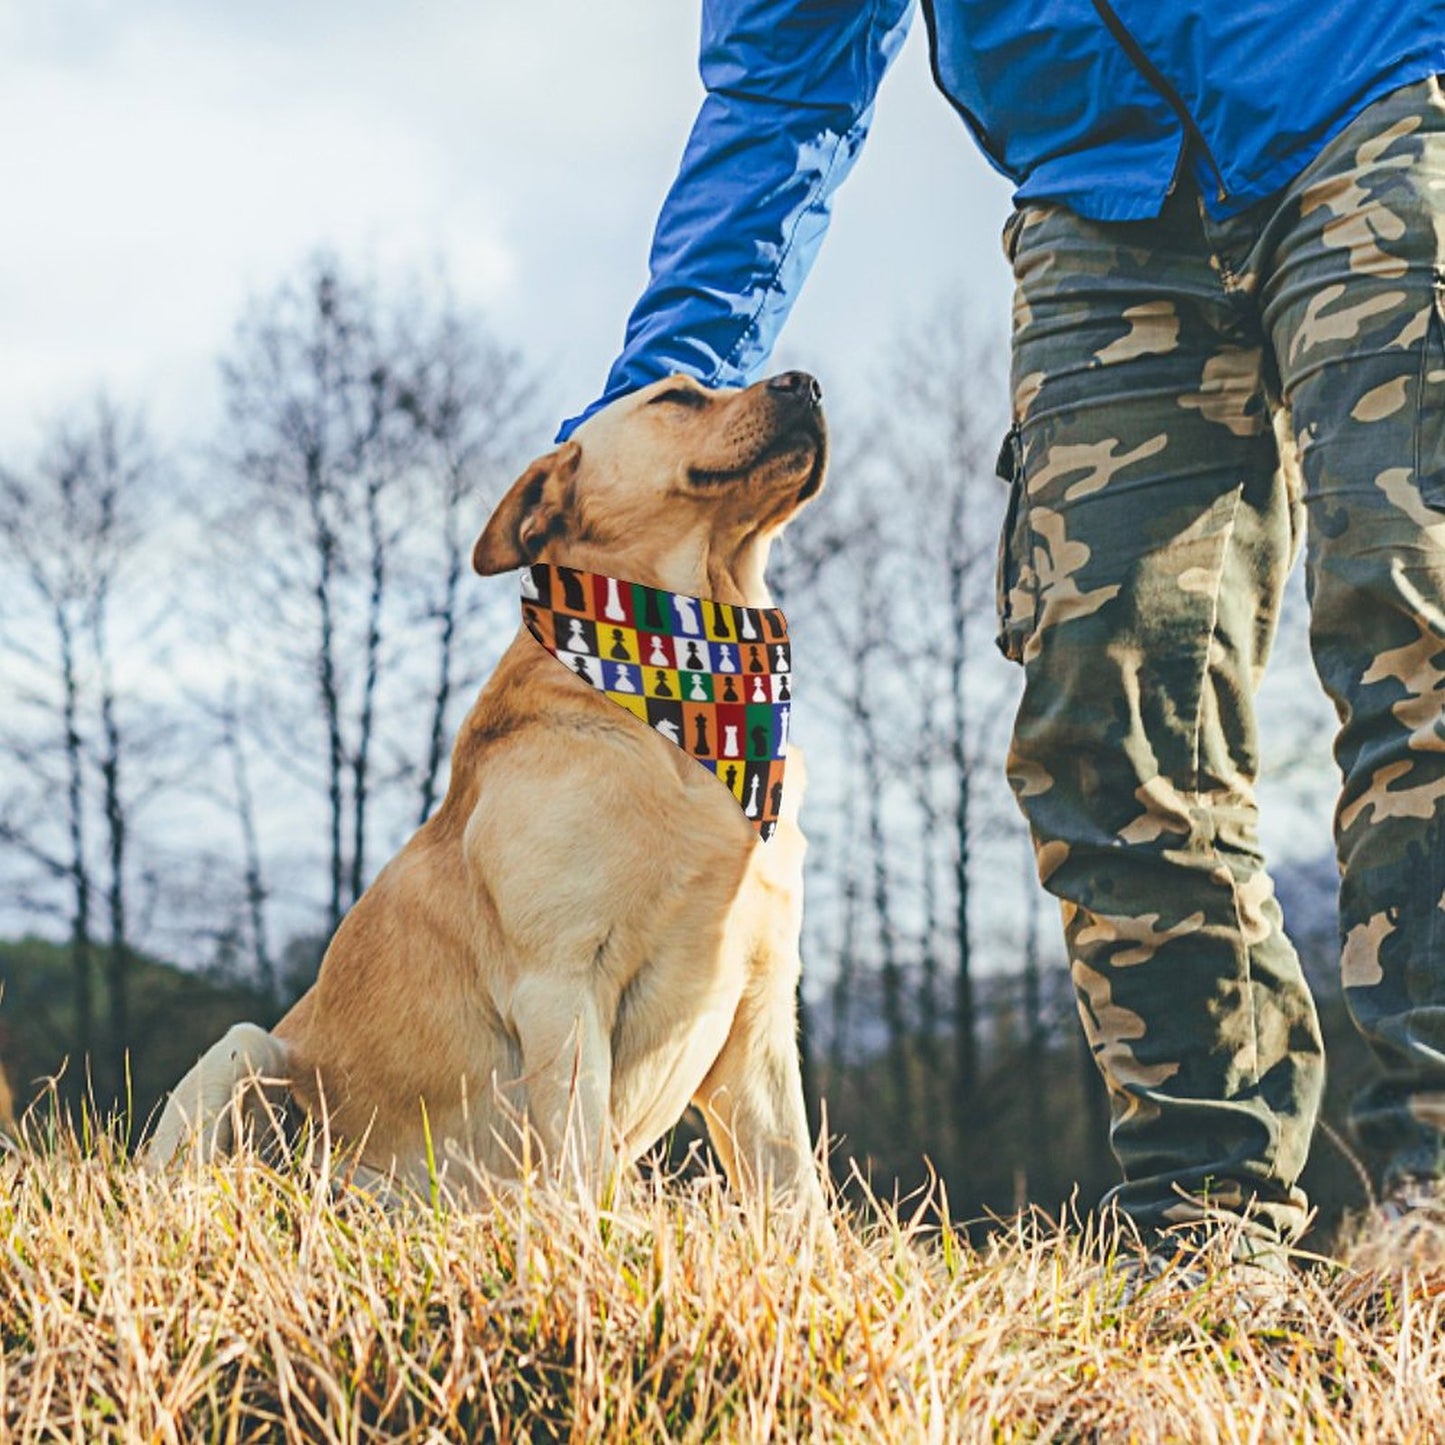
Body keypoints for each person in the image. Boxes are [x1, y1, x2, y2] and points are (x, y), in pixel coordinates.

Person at [559, 0, 1445, 1262]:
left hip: (1369, 86)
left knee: (1413, 622)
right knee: (1105, 718)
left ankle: (1434, 1200)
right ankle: (1206, 1228)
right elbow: (780, 92)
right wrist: (651, 415)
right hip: (1100, 199)